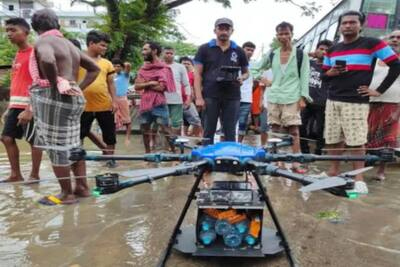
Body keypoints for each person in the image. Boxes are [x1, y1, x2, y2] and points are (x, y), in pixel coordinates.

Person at [322, 11, 400, 193]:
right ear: (340, 26)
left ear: (361, 25)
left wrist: (378, 90)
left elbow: (396, 65)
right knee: (333, 139)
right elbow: (324, 75)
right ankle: (333, 172)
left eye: (352, 22)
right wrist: (330, 73)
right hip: (333, 100)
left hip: (357, 101)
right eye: (344, 23)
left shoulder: (372, 44)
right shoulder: (332, 49)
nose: (348, 26)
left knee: (357, 141)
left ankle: (358, 178)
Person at [29, 9, 99, 204]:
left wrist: (55, 83)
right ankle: (82, 188)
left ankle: (66, 194)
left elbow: (47, 59)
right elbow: (95, 68)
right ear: (57, 24)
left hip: (55, 98)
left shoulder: (44, 41)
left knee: (56, 146)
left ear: (36, 28)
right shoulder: (69, 44)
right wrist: (77, 87)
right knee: (73, 144)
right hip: (73, 98)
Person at [261, 21, 310, 173]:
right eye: (280, 34)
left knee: (293, 130)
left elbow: (305, 77)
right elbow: (256, 67)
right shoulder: (272, 54)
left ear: (291, 35)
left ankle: (296, 162)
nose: (283, 36)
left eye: (286, 33)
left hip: (292, 97)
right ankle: (275, 161)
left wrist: (303, 97)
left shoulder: (301, 55)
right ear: (276, 36)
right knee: (274, 129)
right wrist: (263, 80)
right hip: (274, 96)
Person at [0, 18, 43, 183]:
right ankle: (15, 174)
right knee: (6, 138)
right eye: (7, 31)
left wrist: (30, 108)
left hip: (31, 105)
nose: (9, 34)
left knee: (34, 140)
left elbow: (39, 83)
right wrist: (9, 108)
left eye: (13, 30)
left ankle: (35, 175)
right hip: (15, 105)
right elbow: (17, 83)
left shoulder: (35, 53)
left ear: (26, 32)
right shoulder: (17, 54)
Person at [194, 18, 249, 144]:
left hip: (232, 96)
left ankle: (229, 160)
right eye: (221, 28)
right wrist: (198, 97)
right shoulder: (204, 49)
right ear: (215, 30)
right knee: (208, 131)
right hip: (210, 95)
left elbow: (246, 72)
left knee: (230, 131)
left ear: (232, 31)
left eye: (227, 29)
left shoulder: (239, 50)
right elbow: (197, 74)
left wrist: (242, 77)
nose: (224, 31)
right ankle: (207, 162)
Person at [80, 30, 118, 168]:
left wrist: (115, 101)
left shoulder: (107, 63)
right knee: (79, 134)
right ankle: (78, 160)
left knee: (110, 134)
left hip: (104, 105)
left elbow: (111, 83)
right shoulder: (78, 59)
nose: (105, 48)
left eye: (105, 46)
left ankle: (110, 160)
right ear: (91, 43)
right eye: (102, 45)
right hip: (83, 105)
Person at [366, 30, 400, 181]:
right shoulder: (375, 59)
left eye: (399, 38)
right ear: (386, 41)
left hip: (393, 104)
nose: (395, 40)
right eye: (392, 37)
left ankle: (381, 171)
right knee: (367, 136)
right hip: (370, 102)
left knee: (388, 139)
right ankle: (363, 166)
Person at [135, 41, 177, 153]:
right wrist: (150, 83)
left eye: (145, 49)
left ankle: (175, 154)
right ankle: (147, 155)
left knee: (166, 130)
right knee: (145, 130)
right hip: (145, 104)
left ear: (154, 51)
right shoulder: (143, 68)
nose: (142, 52)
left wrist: (145, 82)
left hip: (159, 104)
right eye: (142, 49)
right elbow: (137, 86)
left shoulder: (164, 68)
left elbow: (162, 87)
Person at [300, 39, 333, 154]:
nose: (323, 52)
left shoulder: (331, 67)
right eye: (321, 49)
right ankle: (304, 150)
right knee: (301, 125)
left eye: (327, 50)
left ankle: (319, 151)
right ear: (316, 50)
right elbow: (295, 55)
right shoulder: (309, 63)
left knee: (320, 129)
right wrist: (309, 54)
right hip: (306, 101)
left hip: (322, 103)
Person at [163, 47, 191, 135]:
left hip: (176, 100)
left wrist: (188, 98)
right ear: (162, 54)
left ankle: (175, 144)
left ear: (174, 55)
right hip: (161, 100)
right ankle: (165, 145)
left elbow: (186, 84)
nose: (169, 55)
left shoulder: (180, 67)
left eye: (171, 53)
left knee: (177, 123)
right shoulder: (158, 66)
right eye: (167, 53)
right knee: (162, 123)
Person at [179, 56, 203, 137]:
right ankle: (183, 138)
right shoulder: (176, 73)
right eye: (184, 63)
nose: (185, 65)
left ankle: (197, 138)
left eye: (188, 63)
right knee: (179, 121)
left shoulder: (193, 74)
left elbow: (196, 87)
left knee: (195, 120)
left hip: (190, 100)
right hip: (177, 100)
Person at [238, 41, 256, 143]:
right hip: (233, 97)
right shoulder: (235, 62)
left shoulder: (254, 65)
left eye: (252, 50)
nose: (249, 52)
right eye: (247, 49)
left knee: (243, 123)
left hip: (247, 99)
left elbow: (256, 81)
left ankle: (239, 145)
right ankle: (227, 145)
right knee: (228, 123)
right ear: (242, 49)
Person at [112, 58, 132, 146]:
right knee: (113, 121)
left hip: (123, 99)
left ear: (122, 67)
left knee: (127, 120)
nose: (116, 68)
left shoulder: (125, 75)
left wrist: (125, 65)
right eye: (114, 66)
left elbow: (128, 66)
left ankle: (127, 138)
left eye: (118, 66)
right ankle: (113, 138)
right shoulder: (111, 76)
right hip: (113, 99)